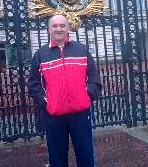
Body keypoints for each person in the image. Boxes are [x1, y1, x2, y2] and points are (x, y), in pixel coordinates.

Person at [27, 15, 101, 167]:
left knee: (86, 155)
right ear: (49, 29)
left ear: (68, 28)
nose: (59, 29)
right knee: (57, 158)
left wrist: (87, 97)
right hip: (54, 115)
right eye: (55, 26)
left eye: (62, 25)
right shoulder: (40, 54)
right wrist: (45, 103)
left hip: (80, 114)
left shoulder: (81, 49)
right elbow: (33, 83)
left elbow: (94, 77)